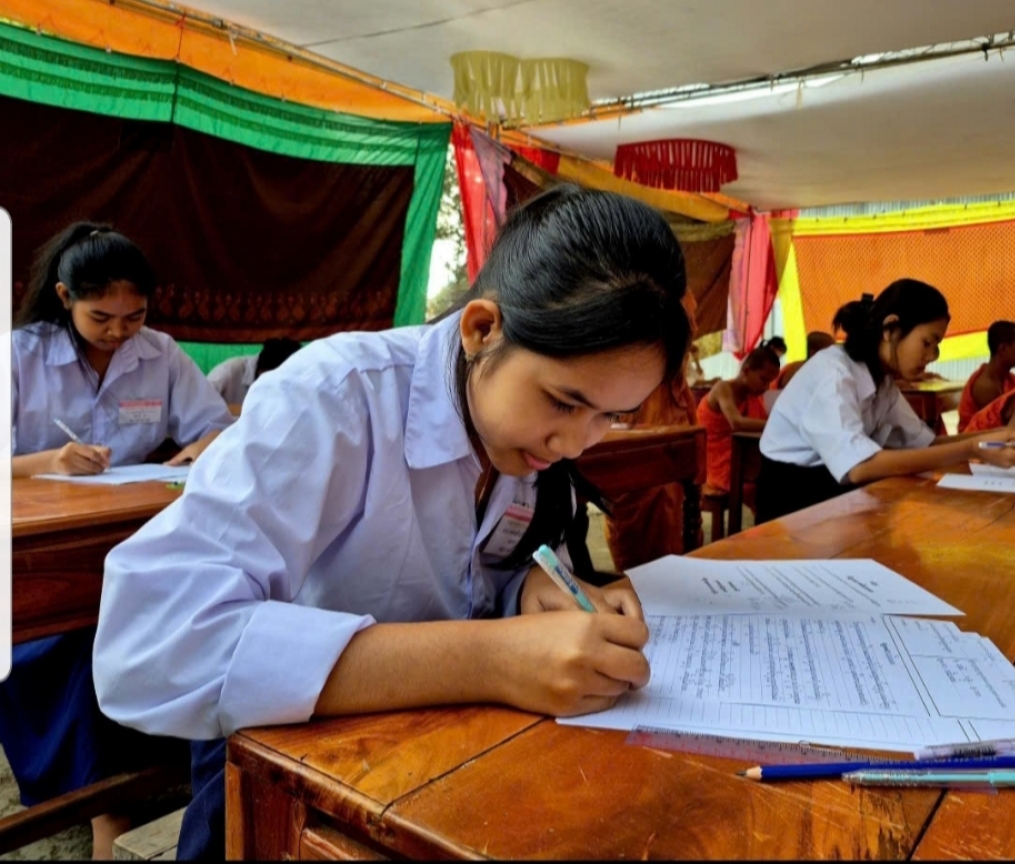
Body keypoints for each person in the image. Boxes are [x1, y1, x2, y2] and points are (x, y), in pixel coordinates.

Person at [92, 185, 692, 859]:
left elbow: (475, 570)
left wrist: (528, 590)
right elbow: (150, 643)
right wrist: (491, 660)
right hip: (290, 773)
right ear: (482, 329)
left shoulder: (523, 439)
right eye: (563, 402)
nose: (576, 443)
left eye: (611, 416)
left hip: (450, 762)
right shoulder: (333, 398)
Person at [6, 223, 234, 858]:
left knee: (175, 619)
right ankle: (106, 807)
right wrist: (48, 461)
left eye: (134, 317)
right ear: (64, 297)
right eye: (101, 317)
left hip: (134, 534)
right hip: (40, 552)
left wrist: (200, 448)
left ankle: (160, 773)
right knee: (82, 647)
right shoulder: (20, 356)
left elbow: (218, 427)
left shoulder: (159, 354)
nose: (118, 332)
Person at [756, 280, 1015, 522]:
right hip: (792, 503)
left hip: (835, 496)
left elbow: (926, 444)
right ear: (890, 329)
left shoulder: (882, 381)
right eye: (927, 342)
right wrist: (971, 448)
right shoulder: (834, 374)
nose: (932, 356)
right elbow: (860, 466)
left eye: (936, 346)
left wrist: (997, 437)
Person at [603, 292, 702, 571]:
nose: (694, 327)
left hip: (671, 417)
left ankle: (669, 579)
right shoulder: (634, 301)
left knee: (673, 507)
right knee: (634, 507)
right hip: (639, 415)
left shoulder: (680, 297)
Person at [697, 346, 779, 502]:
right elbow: (737, 423)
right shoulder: (723, 388)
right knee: (761, 487)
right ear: (746, 370)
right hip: (715, 466)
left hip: (740, 459)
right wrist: (777, 425)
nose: (766, 388)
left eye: (769, 382)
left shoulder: (753, 397)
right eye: (763, 380)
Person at [957, 321, 1015, 433]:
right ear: (1003, 349)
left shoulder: (1009, 378)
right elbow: (1005, 431)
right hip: (979, 442)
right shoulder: (985, 387)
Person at [206, 337, 303, 406]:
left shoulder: (297, 379)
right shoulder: (228, 371)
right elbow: (201, 405)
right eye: (267, 381)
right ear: (261, 368)